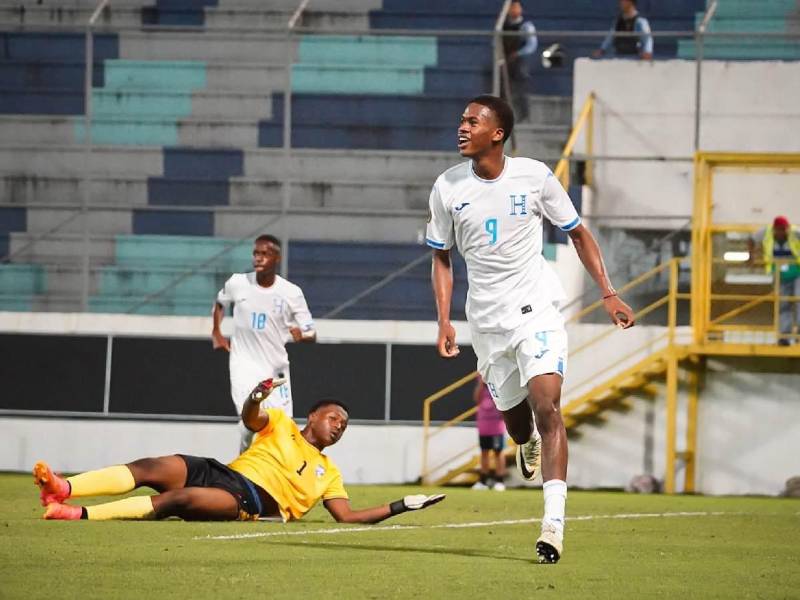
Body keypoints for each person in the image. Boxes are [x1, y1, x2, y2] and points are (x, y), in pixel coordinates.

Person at [427, 94, 635, 563]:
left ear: (497, 133)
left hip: (536, 310)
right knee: (519, 426)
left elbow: (578, 233)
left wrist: (608, 293)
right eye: (461, 120)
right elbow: (440, 257)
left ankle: (553, 525)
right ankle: (528, 442)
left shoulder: (536, 176)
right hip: (487, 323)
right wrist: (443, 320)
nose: (462, 127)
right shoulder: (447, 187)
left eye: (472, 121)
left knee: (548, 403)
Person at [33, 378, 445, 522]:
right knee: (151, 466)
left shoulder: (329, 472)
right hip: (222, 471)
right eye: (334, 417)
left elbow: (348, 516)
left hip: (248, 499)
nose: (340, 426)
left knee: (179, 500)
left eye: (345, 425)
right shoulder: (281, 423)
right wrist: (255, 396)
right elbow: (251, 417)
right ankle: (63, 489)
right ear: (313, 416)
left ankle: (76, 513)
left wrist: (401, 506)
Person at [212, 234, 316, 453]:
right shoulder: (238, 283)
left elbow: (311, 333)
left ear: (277, 258)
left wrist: (303, 336)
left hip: (276, 368)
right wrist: (216, 332)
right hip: (243, 365)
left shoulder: (291, 292)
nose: (258, 258)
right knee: (249, 420)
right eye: (255, 253)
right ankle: (243, 467)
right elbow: (220, 303)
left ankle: (278, 469)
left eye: (264, 254)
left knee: (282, 428)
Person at [748, 216, 800, 345]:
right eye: (780, 230)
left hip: (798, 273)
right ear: (775, 229)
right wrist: (751, 256)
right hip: (780, 275)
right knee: (783, 304)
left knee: (799, 300)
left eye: (785, 229)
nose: (782, 232)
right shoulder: (765, 232)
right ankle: (784, 336)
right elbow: (751, 239)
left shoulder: (795, 233)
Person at [502, 1, 538, 123]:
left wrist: (518, 53)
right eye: (512, 7)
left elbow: (532, 45)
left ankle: (524, 115)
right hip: (506, 61)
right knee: (504, 89)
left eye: (517, 7)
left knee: (521, 88)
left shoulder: (526, 26)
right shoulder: (503, 25)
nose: (515, 10)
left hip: (520, 61)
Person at [472, 375, 508, 491]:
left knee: (498, 452)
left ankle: (500, 480)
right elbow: (476, 399)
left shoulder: (499, 382)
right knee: (484, 451)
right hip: (484, 424)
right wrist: (481, 384)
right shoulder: (481, 384)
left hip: (497, 424)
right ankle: (483, 481)